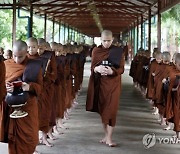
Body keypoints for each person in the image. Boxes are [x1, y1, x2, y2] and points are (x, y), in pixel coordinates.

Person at [2, 40, 43, 154]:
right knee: (13, 139)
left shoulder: (34, 66)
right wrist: (5, 87)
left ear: (26, 53)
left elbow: (40, 88)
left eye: (20, 57)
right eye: (14, 56)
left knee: (30, 140)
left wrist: (29, 87)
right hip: (11, 109)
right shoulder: (6, 65)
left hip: (28, 108)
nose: (16, 59)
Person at [86, 30, 125, 147]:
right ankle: (106, 135)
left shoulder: (117, 51)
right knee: (103, 111)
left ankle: (109, 138)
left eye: (109, 41)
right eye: (104, 41)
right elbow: (92, 67)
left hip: (113, 85)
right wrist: (97, 69)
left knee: (111, 111)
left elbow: (122, 69)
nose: (106, 43)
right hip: (101, 85)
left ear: (112, 39)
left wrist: (112, 71)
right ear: (100, 40)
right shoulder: (96, 51)